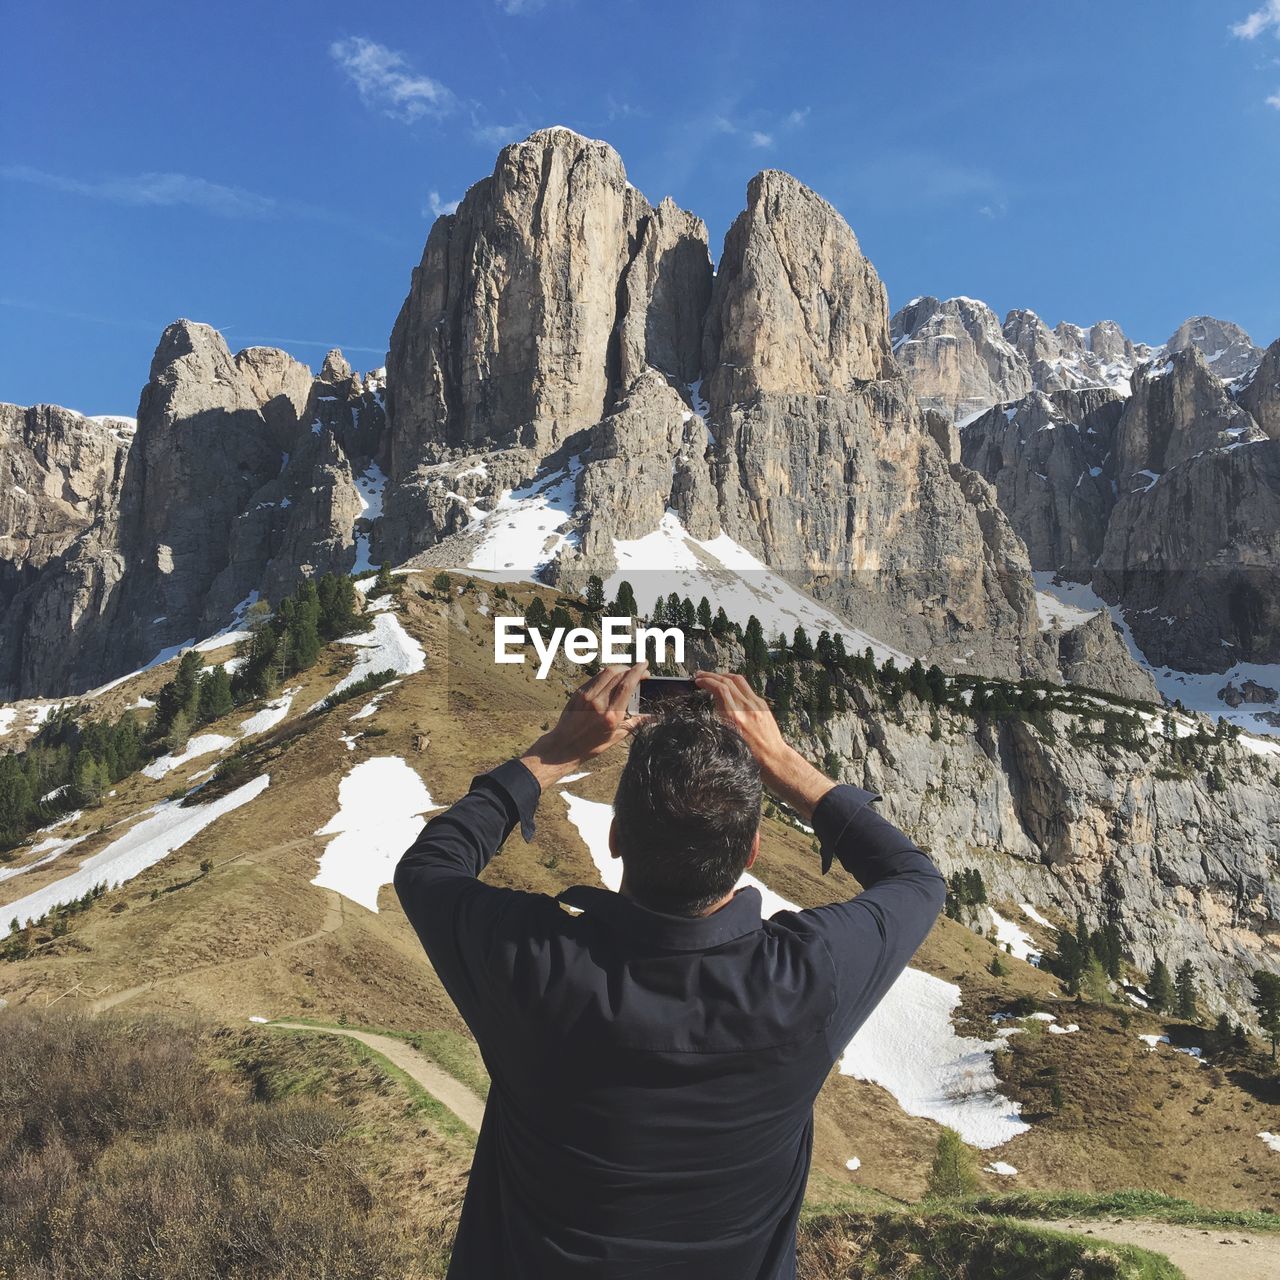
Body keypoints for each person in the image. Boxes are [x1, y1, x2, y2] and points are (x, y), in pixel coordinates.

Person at [395, 662, 946, 1279]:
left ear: (615, 837)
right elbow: (917, 879)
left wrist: (555, 752)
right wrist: (782, 761)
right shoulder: (809, 977)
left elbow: (428, 870)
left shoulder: (530, 963)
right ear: (752, 851)